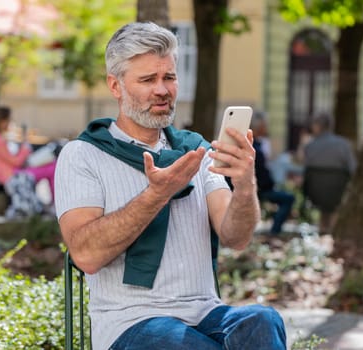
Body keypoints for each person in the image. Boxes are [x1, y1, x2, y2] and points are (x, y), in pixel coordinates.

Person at [54, 22, 286, 350]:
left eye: (170, 78)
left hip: (204, 313)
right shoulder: (83, 156)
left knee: (263, 321)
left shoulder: (197, 150)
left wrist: (245, 184)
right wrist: (157, 193)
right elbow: (87, 255)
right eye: (148, 80)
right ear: (115, 86)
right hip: (129, 322)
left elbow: (236, 236)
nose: (162, 90)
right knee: (175, 341)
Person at [0, 106, 57, 217]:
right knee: (53, 168)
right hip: (13, 175)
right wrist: (25, 147)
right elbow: (16, 161)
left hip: (12, 173)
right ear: (2, 122)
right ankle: (55, 203)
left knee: (50, 166)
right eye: (9, 120)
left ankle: (54, 203)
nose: (10, 123)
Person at [303, 112, 357, 233]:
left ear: (317, 126)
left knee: (325, 199)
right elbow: (353, 169)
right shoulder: (344, 144)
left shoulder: (309, 146)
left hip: (314, 192)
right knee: (333, 200)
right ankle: (332, 230)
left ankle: (323, 229)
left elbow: (303, 166)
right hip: (338, 192)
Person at [251, 111, 295, 235]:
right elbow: (262, 175)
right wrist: (272, 185)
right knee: (288, 199)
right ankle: (275, 231)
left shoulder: (256, 144)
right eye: (265, 125)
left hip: (258, 187)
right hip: (259, 189)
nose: (267, 127)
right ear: (259, 127)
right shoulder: (255, 148)